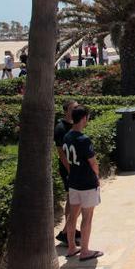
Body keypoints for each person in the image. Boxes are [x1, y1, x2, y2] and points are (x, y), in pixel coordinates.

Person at [62, 106, 103, 261]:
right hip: (87, 183)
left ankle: (72, 247)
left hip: (73, 182)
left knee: (72, 216)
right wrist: (97, 178)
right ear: (84, 118)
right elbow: (93, 163)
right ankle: (85, 251)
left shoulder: (67, 136)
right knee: (87, 217)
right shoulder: (83, 139)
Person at [54, 101, 81, 247]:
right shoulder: (60, 128)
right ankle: (66, 232)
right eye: (73, 108)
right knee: (74, 200)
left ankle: (70, 229)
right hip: (68, 169)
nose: (76, 110)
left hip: (75, 167)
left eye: (77, 107)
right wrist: (71, 170)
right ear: (66, 111)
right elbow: (61, 153)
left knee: (72, 199)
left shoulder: (74, 124)